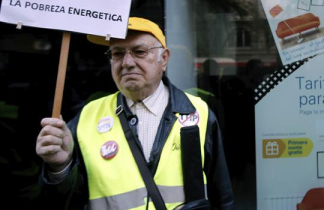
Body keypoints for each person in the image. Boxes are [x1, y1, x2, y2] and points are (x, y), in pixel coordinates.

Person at [35, 17, 235, 210]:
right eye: (118, 53)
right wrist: (59, 168)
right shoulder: (88, 117)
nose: (127, 62)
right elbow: (64, 201)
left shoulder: (198, 112)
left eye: (139, 51)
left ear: (163, 59)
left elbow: (222, 197)